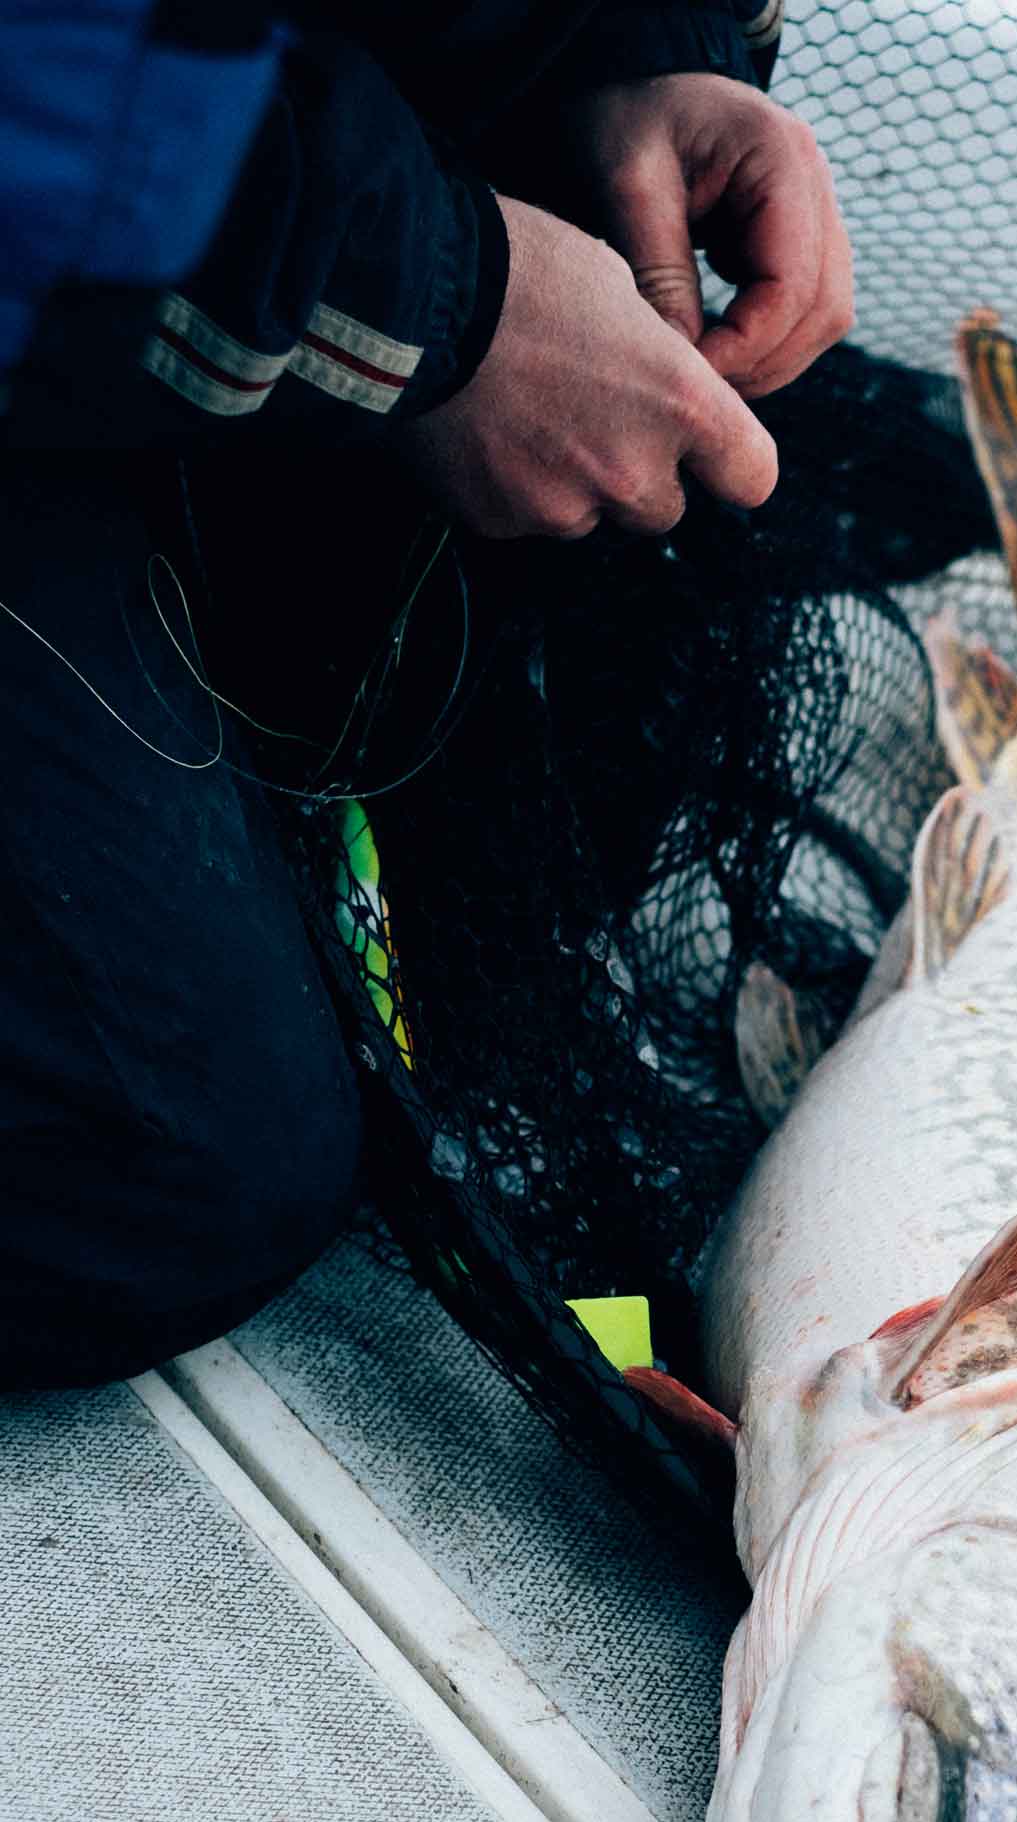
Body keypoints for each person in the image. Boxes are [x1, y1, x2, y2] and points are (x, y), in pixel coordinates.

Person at [0, 2, 853, 1387]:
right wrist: (445, 312)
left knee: (611, 707)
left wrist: (636, 54)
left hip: (239, 152)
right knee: (166, 1156)